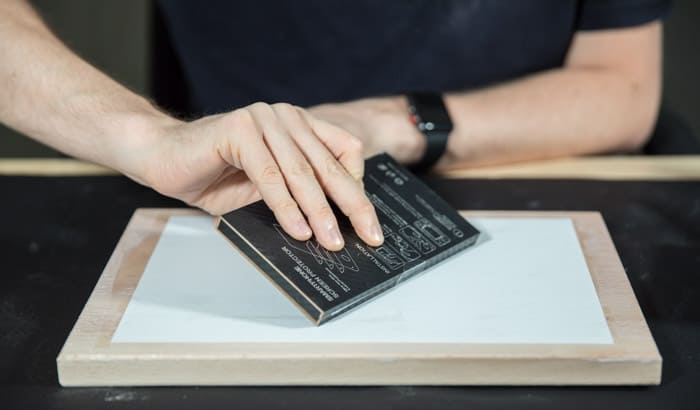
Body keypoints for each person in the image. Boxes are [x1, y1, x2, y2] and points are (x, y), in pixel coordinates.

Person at [0, 0, 668, 250]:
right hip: (233, 197)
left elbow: (623, 88)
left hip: (528, 172)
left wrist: (398, 121)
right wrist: (148, 139)